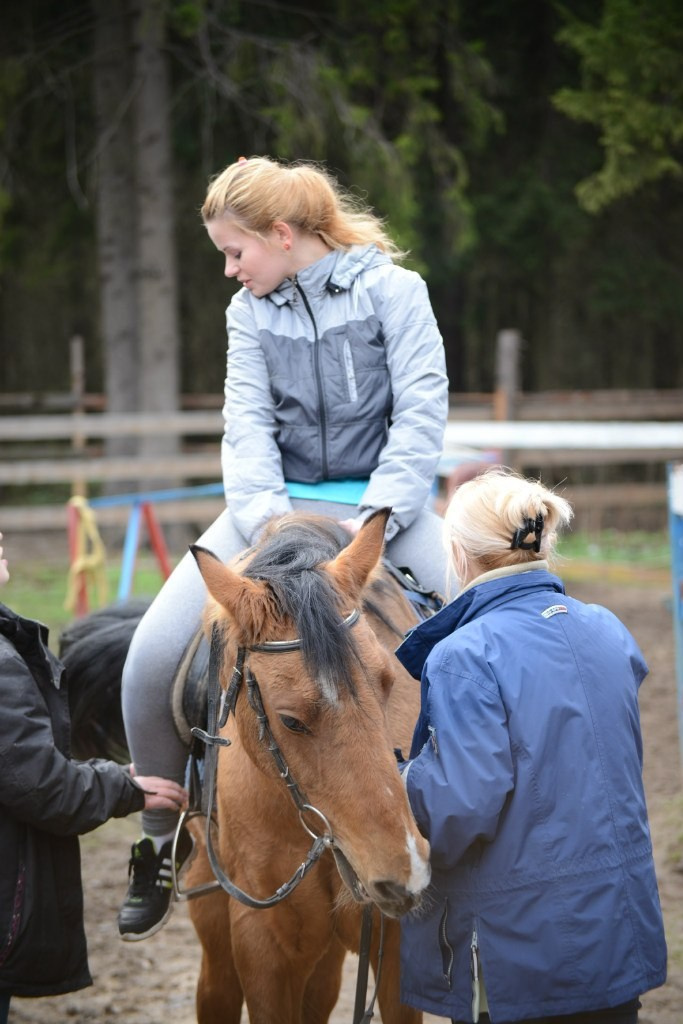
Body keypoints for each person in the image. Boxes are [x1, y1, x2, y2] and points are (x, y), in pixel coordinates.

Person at [118, 154, 450, 940]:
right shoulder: (247, 314)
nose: (230, 272)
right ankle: (158, 842)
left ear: (280, 232)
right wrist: (271, 523)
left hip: (384, 513)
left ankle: (479, 841)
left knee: (479, 634)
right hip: (267, 513)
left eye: (236, 253)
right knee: (147, 659)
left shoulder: (396, 293)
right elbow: (248, 427)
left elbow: (420, 413)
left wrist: (379, 516)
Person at [395, 468, 667, 1024]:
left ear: (458, 552)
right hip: (617, 932)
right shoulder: (608, 629)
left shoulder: (463, 657)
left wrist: (397, 783)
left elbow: (459, 808)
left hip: (518, 953)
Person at [0, 532, 188, 1023]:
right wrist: (126, 788)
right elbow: (38, 785)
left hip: (373, 515)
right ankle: (157, 856)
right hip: (266, 514)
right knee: (159, 641)